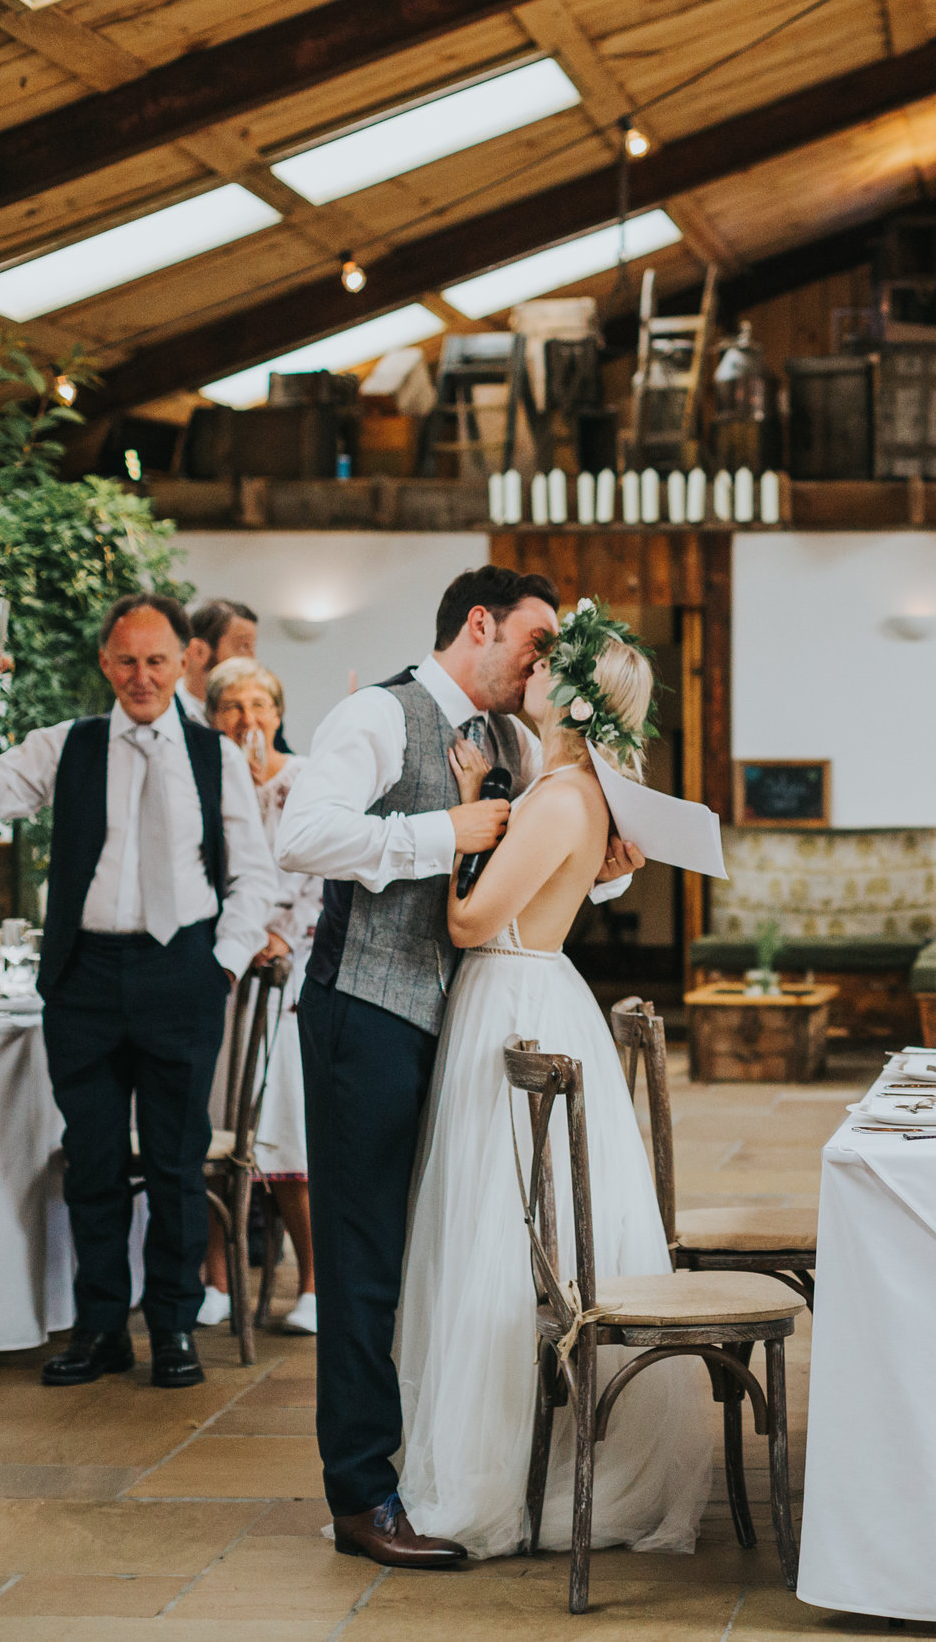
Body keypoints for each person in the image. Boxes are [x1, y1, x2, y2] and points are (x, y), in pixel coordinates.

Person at [276, 566, 640, 1569]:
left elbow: (515, 885)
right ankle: (360, 1493)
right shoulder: (376, 716)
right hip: (365, 1011)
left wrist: (601, 881)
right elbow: (301, 834)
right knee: (363, 1259)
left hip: (456, 1019)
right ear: (480, 622)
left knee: (420, 1247)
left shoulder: (515, 743)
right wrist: (445, 828)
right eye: (533, 639)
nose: (544, 660)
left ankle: (422, 1462)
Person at [397, 603, 713, 1557]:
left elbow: (467, 921)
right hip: (522, 993)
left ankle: (496, 1466)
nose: (530, 669)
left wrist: (457, 830)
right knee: (495, 1227)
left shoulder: (566, 795)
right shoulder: (555, 784)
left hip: (513, 998)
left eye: (546, 663)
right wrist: (491, 797)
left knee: (502, 1232)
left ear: (569, 694)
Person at [0, 596, 278, 1390]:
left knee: (174, 1163)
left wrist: (220, 965)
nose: (142, 676)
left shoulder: (214, 755)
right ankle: (99, 1327)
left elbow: (253, 876)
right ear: (105, 663)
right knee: (90, 1162)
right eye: (126, 660)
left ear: (184, 661)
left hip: (180, 976)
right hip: (84, 979)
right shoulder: (70, 745)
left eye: (156, 660)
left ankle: (172, 1326)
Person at [195, 658, 323, 1336]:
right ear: (213, 717)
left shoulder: (301, 781)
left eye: (259, 705)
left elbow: (318, 874)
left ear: (277, 713)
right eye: (232, 707)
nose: (247, 719)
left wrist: (274, 934)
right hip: (220, 972)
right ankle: (215, 1277)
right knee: (213, 1125)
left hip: (283, 975)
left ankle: (311, 1281)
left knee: (280, 1128)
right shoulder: (205, 781)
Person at [181, 600, 259, 724]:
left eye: (252, 647)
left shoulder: (258, 715)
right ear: (198, 651)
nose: (252, 658)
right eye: (244, 646)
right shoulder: (165, 712)